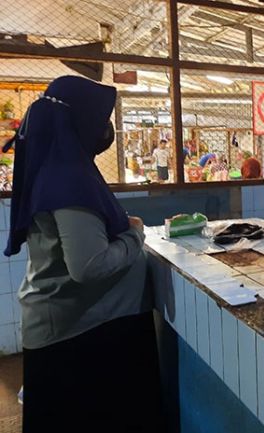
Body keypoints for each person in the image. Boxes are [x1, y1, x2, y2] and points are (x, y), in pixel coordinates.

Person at [4, 76, 164, 433]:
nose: (104, 130)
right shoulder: (68, 178)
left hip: (78, 326)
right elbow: (89, 266)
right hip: (81, 333)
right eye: (99, 118)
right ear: (77, 120)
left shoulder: (53, 168)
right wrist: (134, 235)